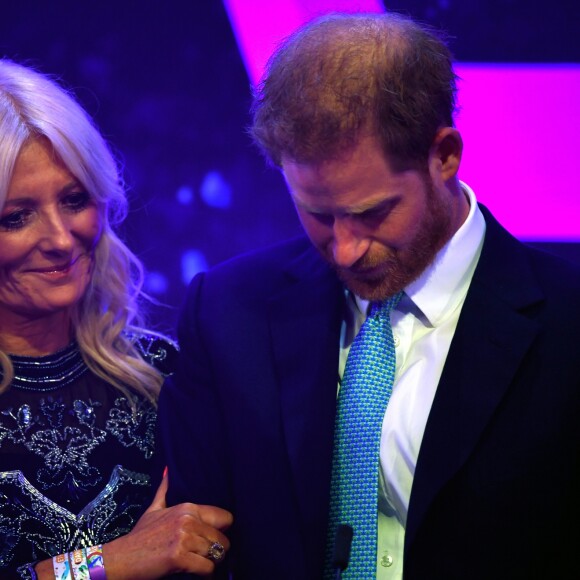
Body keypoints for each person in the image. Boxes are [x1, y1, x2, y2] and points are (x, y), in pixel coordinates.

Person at [157, 12, 580, 580]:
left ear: (445, 155)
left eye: (371, 212)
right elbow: (198, 544)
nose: (346, 250)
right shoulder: (227, 312)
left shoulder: (568, 322)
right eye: (317, 214)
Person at [0, 59, 232, 580]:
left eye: (74, 199)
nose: (61, 239)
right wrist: (104, 565)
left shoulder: (164, 373)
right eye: (15, 217)